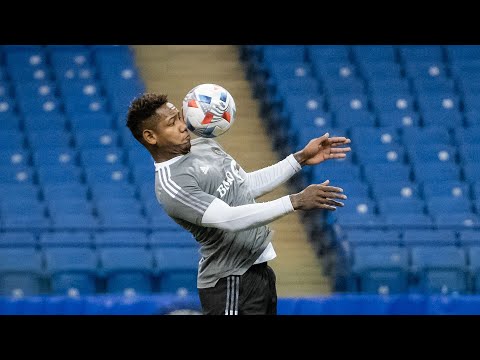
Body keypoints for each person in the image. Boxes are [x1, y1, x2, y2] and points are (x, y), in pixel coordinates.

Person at [126, 92, 351, 315]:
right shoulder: (171, 184)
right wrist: (294, 201)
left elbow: (244, 187)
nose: (183, 125)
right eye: (171, 123)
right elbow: (229, 218)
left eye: (179, 117)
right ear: (150, 136)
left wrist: (299, 159)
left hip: (259, 272)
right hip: (230, 282)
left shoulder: (204, 145)